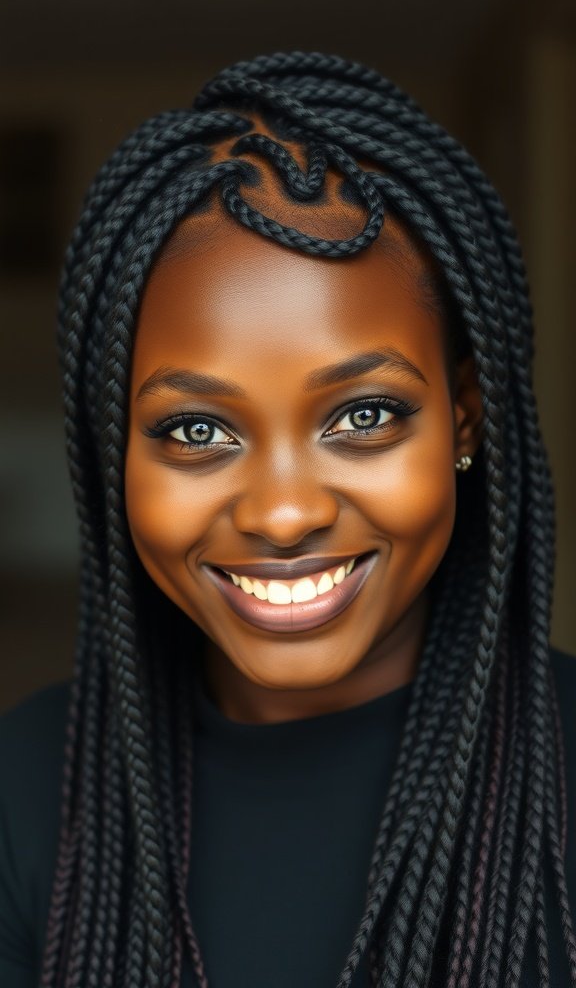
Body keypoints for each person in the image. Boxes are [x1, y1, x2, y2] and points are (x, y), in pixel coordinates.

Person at [0, 50, 574, 988]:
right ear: (117, 450)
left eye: (363, 417)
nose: (282, 514)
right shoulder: (26, 789)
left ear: (465, 415)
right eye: (196, 429)